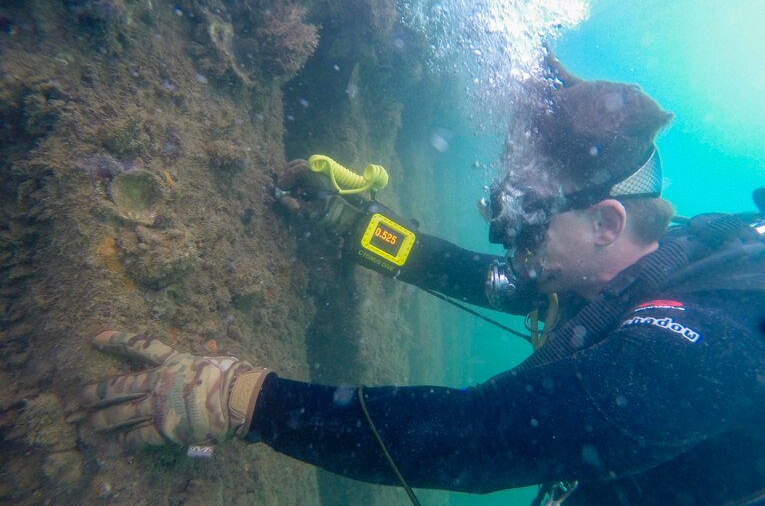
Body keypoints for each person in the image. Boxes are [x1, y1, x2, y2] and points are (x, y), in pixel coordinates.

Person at [80, 55, 765, 505]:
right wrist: (350, 228)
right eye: (503, 209)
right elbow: (482, 276)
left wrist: (245, 400)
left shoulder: (701, 350)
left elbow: (471, 438)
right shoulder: (597, 274)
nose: (505, 236)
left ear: (606, 225)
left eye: (525, 219)